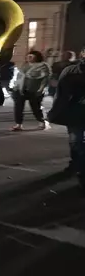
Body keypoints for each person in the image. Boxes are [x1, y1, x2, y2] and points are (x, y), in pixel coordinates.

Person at [48, 48, 85, 182]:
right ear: (82, 54)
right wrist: (56, 110)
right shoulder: (70, 70)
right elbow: (61, 93)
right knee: (75, 142)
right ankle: (77, 165)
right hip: (75, 113)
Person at [10, 50, 50, 131]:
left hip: (34, 90)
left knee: (35, 107)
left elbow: (45, 79)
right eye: (28, 56)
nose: (29, 58)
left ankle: (42, 122)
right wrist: (15, 86)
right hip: (20, 89)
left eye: (31, 56)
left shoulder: (43, 66)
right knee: (18, 107)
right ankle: (18, 124)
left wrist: (41, 89)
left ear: (37, 57)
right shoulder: (25, 65)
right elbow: (19, 77)